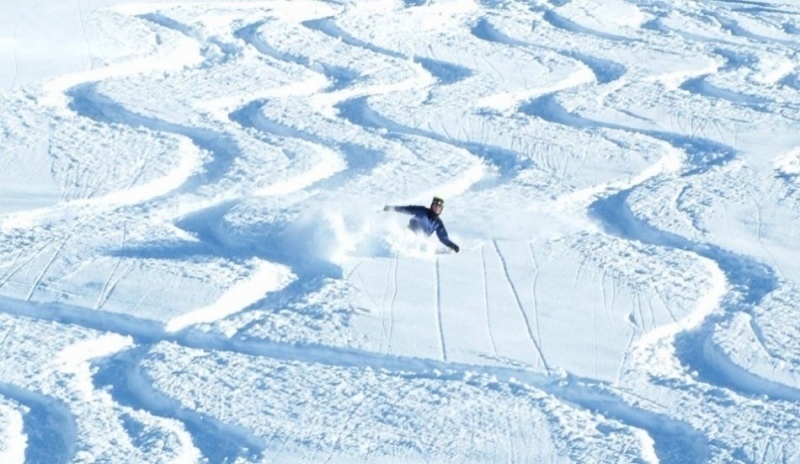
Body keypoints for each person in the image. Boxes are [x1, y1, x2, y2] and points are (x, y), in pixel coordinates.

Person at [383, 196, 460, 253]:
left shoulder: (438, 223)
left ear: (441, 209)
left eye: (439, 207)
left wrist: (452, 245)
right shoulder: (422, 210)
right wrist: (391, 208)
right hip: (408, 232)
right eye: (435, 205)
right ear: (432, 206)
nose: (437, 208)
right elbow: (406, 209)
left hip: (419, 240)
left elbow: (443, 237)